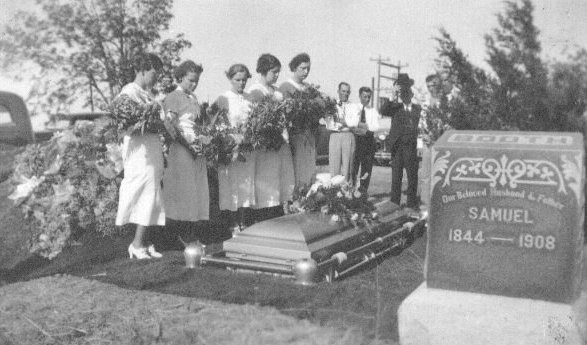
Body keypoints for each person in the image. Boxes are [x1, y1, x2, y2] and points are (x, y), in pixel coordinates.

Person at [115, 53, 166, 259]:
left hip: (151, 150)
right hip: (139, 153)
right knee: (145, 193)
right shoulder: (128, 92)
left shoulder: (147, 94)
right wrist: (153, 123)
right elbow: (127, 126)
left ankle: (146, 241)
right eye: (155, 72)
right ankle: (136, 244)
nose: (157, 77)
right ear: (143, 69)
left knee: (153, 195)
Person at [162, 60, 209, 240]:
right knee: (184, 190)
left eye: (196, 80)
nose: (194, 84)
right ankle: (182, 233)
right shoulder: (174, 96)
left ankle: (192, 231)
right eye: (190, 80)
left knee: (196, 190)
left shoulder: (193, 98)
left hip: (197, 148)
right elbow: (170, 125)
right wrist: (188, 146)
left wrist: (203, 141)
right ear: (180, 78)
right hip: (181, 148)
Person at [249, 54, 295, 220]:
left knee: (280, 177)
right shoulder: (255, 91)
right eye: (274, 72)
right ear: (263, 71)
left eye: (278, 72)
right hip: (266, 144)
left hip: (280, 141)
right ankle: (263, 216)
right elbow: (257, 119)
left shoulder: (276, 91)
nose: (276, 75)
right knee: (266, 180)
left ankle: (277, 211)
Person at [213, 64, 256, 231]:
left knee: (245, 184)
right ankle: (232, 223)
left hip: (246, 148)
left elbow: (254, 122)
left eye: (244, 80)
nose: (241, 83)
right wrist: (230, 139)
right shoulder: (223, 98)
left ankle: (243, 221)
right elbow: (215, 124)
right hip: (230, 149)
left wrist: (248, 136)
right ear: (230, 79)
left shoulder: (250, 98)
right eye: (237, 80)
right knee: (231, 184)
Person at [382, 73, 421, 209]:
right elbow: (383, 110)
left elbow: (421, 127)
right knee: (396, 178)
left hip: (411, 146)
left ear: (411, 93)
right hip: (397, 147)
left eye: (407, 91)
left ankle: (411, 204)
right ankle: (394, 204)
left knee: (412, 178)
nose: (405, 94)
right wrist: (393, 96)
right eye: (402, 91)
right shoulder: (395, 107)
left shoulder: (417, 109)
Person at [278, 53, 316, 186]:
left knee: (309, 172)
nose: (306, 72)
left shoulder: (308, 88)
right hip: (295, 135)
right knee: (296, 172)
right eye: (303, 68)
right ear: (294, 68)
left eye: (308, 69)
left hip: (309, 135)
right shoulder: (285, 87)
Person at [351, 87, 380, 193]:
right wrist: (365, 126)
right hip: (356, 142)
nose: (367, 99)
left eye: (369, 97)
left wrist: (362, 127)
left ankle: (362, 194)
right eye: (365, 96)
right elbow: (352, 123)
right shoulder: (354, 108)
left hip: (368, 144)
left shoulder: (373, 111)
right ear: (359, 96)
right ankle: (350, 193)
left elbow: (375, 127)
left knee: (366, 171)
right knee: (353, 169)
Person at [328, 82, 357, 181]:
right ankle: (334, 193)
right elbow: (330, 124)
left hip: (348, 135)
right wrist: (345, 123)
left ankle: (347, 193)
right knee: (334, 166)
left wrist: (341, 121)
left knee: (348, 167)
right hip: (335, 135)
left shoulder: (354, 106)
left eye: (348, 92)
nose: (345, 94)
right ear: (338, 91)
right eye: (343, 91)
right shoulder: (331, 105)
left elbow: (354, 123)